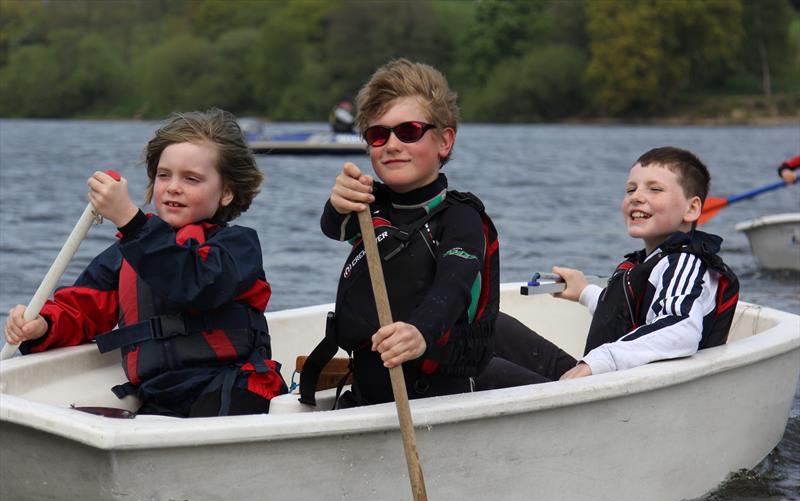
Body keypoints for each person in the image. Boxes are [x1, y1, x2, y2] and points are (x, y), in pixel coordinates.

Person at [3, 108, 287, 417]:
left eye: (191, 179)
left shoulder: (238, 246)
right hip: (159, 393)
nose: (173, 186)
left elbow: (194, 284)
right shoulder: (128, 251)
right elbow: (81, 310)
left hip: (232, 384)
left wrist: (130, 221)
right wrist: (41, 326)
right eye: (164, 175)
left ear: (227, 193)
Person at [304, 58, 499, 407]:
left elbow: (452, 290)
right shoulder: (366, 205)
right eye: (378, 135)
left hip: (438, 398)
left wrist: (419, 332)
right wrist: (337, 203)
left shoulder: (462, 219)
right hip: (369, 393)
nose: (391, 144)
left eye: (408, 131)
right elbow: (332, 227)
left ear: (444, 141)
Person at [477, 146, 739, 388]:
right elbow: (627, 311)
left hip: (626, 399)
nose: (637, 197)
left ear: (692, 208)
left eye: (654, 189)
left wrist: (599, 361)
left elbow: (680, 328)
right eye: (630, 190)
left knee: (481, 370)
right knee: (489, 324)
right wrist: (584, 292)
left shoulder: (684, 263)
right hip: (601, 383)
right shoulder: (648, 261)